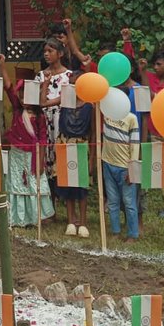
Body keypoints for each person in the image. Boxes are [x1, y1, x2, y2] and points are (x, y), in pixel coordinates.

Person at [0, 58, 53, 228]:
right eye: (20, 95)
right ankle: (19, 218)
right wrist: (2, 67)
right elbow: (8, 88)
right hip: (17, 153)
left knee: (34, 183)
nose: (22, 98)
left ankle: (38, 217)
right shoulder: (17, 109)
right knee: (17, 183)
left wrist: (41, 159)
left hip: (33, 155)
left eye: (25, 95)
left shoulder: (40, 116)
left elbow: (43, 139)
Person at [35, 35, 73, 219]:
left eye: (50, 51)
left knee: (62, 162)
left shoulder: (69, 76)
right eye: (45, 52)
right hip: (45, 125)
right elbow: (37, 103)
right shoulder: (40, 75)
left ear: (60, 53)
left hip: (62, 124)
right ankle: (50, 207)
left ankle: (67, 204)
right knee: (46, 163)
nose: (46, 55)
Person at [54, 71, 93, 238]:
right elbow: (42, 103)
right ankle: (71, 221)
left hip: (82, 145)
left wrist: (92, 159)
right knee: (68, 184)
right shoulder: (65, 104)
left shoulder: (90, 106)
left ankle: (83, 223)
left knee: (81, 186)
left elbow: (93, 133)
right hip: (65, 143)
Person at [101, 100, 140, 244]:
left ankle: (132, 234)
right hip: (108, 163)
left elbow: (135, 145)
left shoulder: (131, 118)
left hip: (125, 167)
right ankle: (115, 231)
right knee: (112, 201)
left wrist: (132, 168)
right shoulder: (106, 114)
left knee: (129, 202)